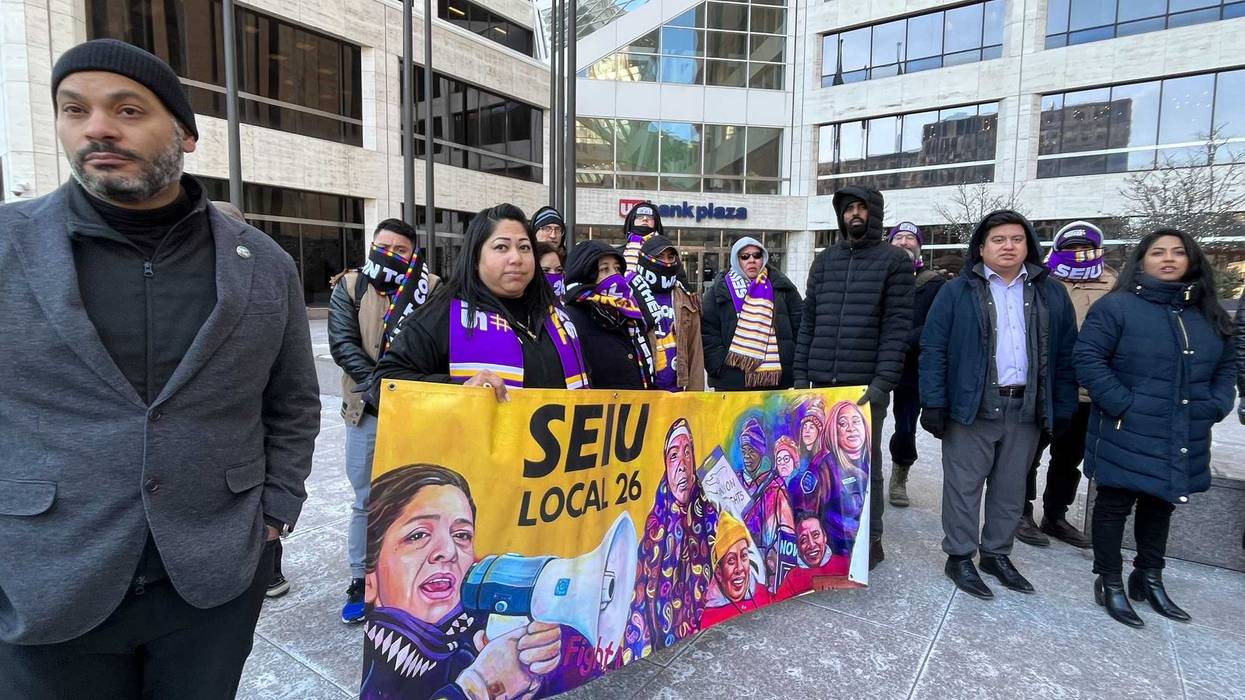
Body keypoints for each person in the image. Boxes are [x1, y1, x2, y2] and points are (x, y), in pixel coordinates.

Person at [0, 39, 320, 697]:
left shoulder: (264, 264)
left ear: (186, 135)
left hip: (212, 581)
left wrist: (276, 509)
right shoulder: (10, 245)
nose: (97, 128)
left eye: (128, 110)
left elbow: (292, 402)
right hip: (46, 579)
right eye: (74, 109)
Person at [1076, 229, 1237, 628]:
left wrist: (1217, 404)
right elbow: (1088, 358)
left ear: (1191, 260)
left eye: (1177, 252)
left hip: (1182, 426)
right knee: (1114, 504)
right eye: (1157, 252)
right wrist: (1122, 403)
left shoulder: (1207, 312)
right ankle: (1109, 579)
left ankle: (1149, 576)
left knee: (1161, 503)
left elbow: (1227, 365)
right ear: (1142, 261)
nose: (1168, 258)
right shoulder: (1118, 307)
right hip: (1127, 425)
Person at [919, 210, 1078, 600]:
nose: (1008, 246)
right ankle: (960, 556)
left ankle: (996, 554)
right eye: (999, 240)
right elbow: (933, 348)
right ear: (981, 247)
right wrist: (933, 402)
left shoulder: (1050, 293)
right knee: (963, 487)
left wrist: (1063, 405)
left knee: (1011, 488)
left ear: (1029, 245)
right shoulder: (956, 291)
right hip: (972, 406)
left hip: (1025, 407)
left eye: (1016, 239)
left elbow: (1066, 354)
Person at [363, 464, 562, 698]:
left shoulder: (478, 635)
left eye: (461, 535)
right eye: (418, 535)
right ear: (369, 580)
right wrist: (479, 687)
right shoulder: (378, 679)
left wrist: (530, 666)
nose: (449, 551)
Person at [794, 185, 914, 569]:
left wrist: (881, 384)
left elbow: (897, 329)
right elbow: (808, 322)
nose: (855, 214)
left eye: (862, 208)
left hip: (864, 387)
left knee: (864, 465)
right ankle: (831, 534)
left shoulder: (894, 261)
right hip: (821, 384)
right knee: (822, 464)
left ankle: (870, 537)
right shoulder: (825, 261)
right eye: (849, 209)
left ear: (873, 212)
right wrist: (801, 377)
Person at [370, 204, 590, 400]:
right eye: (501, 247)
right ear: (475, 258)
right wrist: (460, 390)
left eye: (524, 247)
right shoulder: (443, 315)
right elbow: (384, 383)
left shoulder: (557, 315)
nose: (516, 258)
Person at [329, 218, 428, 623]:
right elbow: (342, 344)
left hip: (418, 412)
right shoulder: (351, 287)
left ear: (413, 254)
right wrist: (382, 388)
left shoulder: (430, 288)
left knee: (418, 497)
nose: (390, 255)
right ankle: (360, 579)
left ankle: (410, 578)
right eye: (383, 246)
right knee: (366, 499)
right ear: (371, 245)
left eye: (400, 250)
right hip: (366, 410)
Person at [1016, 221, 1115, 549]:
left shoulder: (1113, 284)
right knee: (1028, 454)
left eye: (1085, 248)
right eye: (1071, 249)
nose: (1078, 254)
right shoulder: (1040, 280)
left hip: (1088, 391)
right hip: (1045, 385)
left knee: (1068, 458)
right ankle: (1021, 511)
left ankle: (1055, 515)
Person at [214, 200, 293, 599]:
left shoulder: (272, 276)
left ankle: (270, 569)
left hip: (254, 440)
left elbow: (294, 398)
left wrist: (279, 509)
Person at [618, 418, 718, 664]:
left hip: (709, 644)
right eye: (674, 456)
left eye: (687, 453)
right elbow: (639, 606)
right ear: (665, 464)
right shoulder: (655, 530)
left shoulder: (710, 514)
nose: (682, 465)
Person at [886, 222, 944, 508]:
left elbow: (936, 325)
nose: (904, 242)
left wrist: (902, 341)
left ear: (919, 246)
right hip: (876, 363)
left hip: (911, 368)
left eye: (911, 238)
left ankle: (899, 474)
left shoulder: (934, 284)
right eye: (898, 237)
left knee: (905, 425)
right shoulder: (878, 277)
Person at [702, 236, 804, 390]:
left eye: (757, 255)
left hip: (777, 382)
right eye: (745, 256)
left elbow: (800, 327)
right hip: (732, 383)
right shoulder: (719, 291)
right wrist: (721, 368)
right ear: (736, 260)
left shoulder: (782, 287)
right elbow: (708, 334)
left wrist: (794, 365)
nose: (752, 260)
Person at [561, 240, 654, 389]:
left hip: (640, 402)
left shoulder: (631, 313)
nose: (615, 275)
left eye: (617, 268)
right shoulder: (569, 319)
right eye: (604, 269)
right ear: (584, 274)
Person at [630, 234, 705, 391]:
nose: (666, 262)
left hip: (676, 393)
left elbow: (695, 352)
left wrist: (695, 397)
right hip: (642, 391)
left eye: (670, 257)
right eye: (659, 256)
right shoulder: (630, 293)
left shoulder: (686, 298)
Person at [699, 512, 772, 627]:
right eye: (731, 561)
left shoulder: (762, 593)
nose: (740, 568)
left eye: (744, 556)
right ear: (719, 573)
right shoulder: (710, 617)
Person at [621, 201, 661, 269]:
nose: (645, 219)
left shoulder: (666, 250)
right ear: (632, 221)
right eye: (639, 216)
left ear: (655, 222)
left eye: (650, 217)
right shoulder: (618, 252)